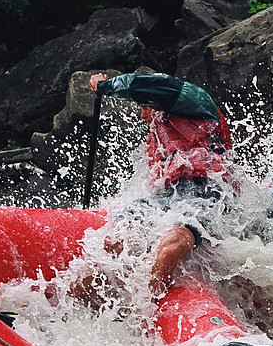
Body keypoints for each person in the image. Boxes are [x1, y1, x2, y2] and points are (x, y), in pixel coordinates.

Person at [82, 71, 239, 298]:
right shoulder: (159, 133)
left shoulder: (195, 102)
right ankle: (71, 304)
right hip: (166, 195)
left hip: (207, 191)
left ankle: (147, 306)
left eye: (144, 108)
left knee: (169, 249)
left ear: (156, 102)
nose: (142, 116)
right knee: (113, 240)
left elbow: (146, 85)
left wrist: (105, 86)